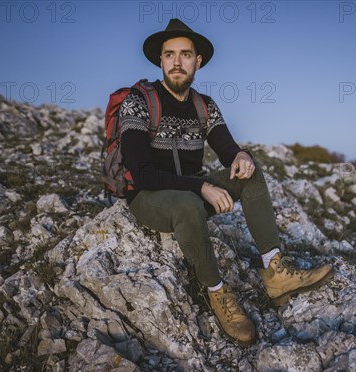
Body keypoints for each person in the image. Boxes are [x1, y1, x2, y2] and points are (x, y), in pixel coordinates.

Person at [119, 19, 333, 346]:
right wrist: (201, 187)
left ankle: (275, 273)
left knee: (251, 173)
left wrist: (241, 157)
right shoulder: (138, 101)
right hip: (149, 196)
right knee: (189, 203)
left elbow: (226, 147)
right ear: (160, 61)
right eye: (170, 55)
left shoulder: (204, 106)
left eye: (185, 54)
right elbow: (140, 171)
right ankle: (217, 294)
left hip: (190, 187)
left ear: (198, 61)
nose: (177, 62)